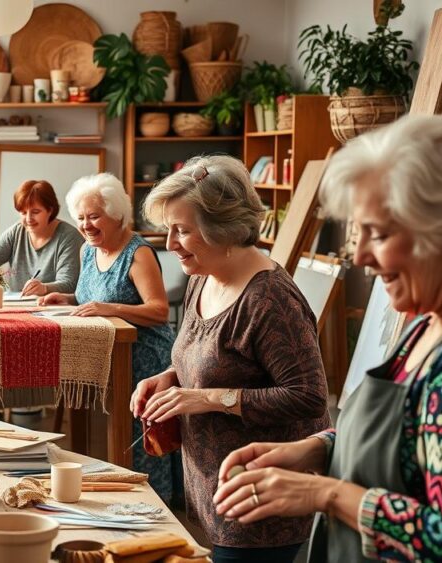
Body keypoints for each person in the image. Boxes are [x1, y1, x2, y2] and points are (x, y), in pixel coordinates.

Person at [214, 115, 442, 563]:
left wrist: (328, 494)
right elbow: (407, 444)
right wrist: (317, 449)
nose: (359, 256)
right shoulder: (427, 324)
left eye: (381, 233)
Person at [133, 156, 330, 563]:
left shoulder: (271, 299)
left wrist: (204, 398)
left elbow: (309, 395)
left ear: (223, 230)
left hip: (260, 503)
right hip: (213, 491)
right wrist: (170, 378)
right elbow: (215, 358)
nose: (169, 245)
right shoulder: (202, 277)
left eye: (182, 231)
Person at [38, 172, 177, 502]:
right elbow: (92, 297)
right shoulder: (89, 249)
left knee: (139, 439)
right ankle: (114, 497)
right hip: (105, 355)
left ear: (117, 215)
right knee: (107, 436)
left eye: (94, 216)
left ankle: (153, 504)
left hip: (145, 357)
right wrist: (69, 298)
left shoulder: (137, 252)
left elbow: (158, 310)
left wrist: (105, 306)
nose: (86, 225)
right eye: (82, 217)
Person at [0, 180, 83, 296]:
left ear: (50, 210)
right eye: (23, 213)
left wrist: (44, 288)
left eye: (35, 212)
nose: (28, 219)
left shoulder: (69, 237)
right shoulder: (16, 231)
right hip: (17, 305)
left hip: (52, 308)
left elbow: (69, 284)